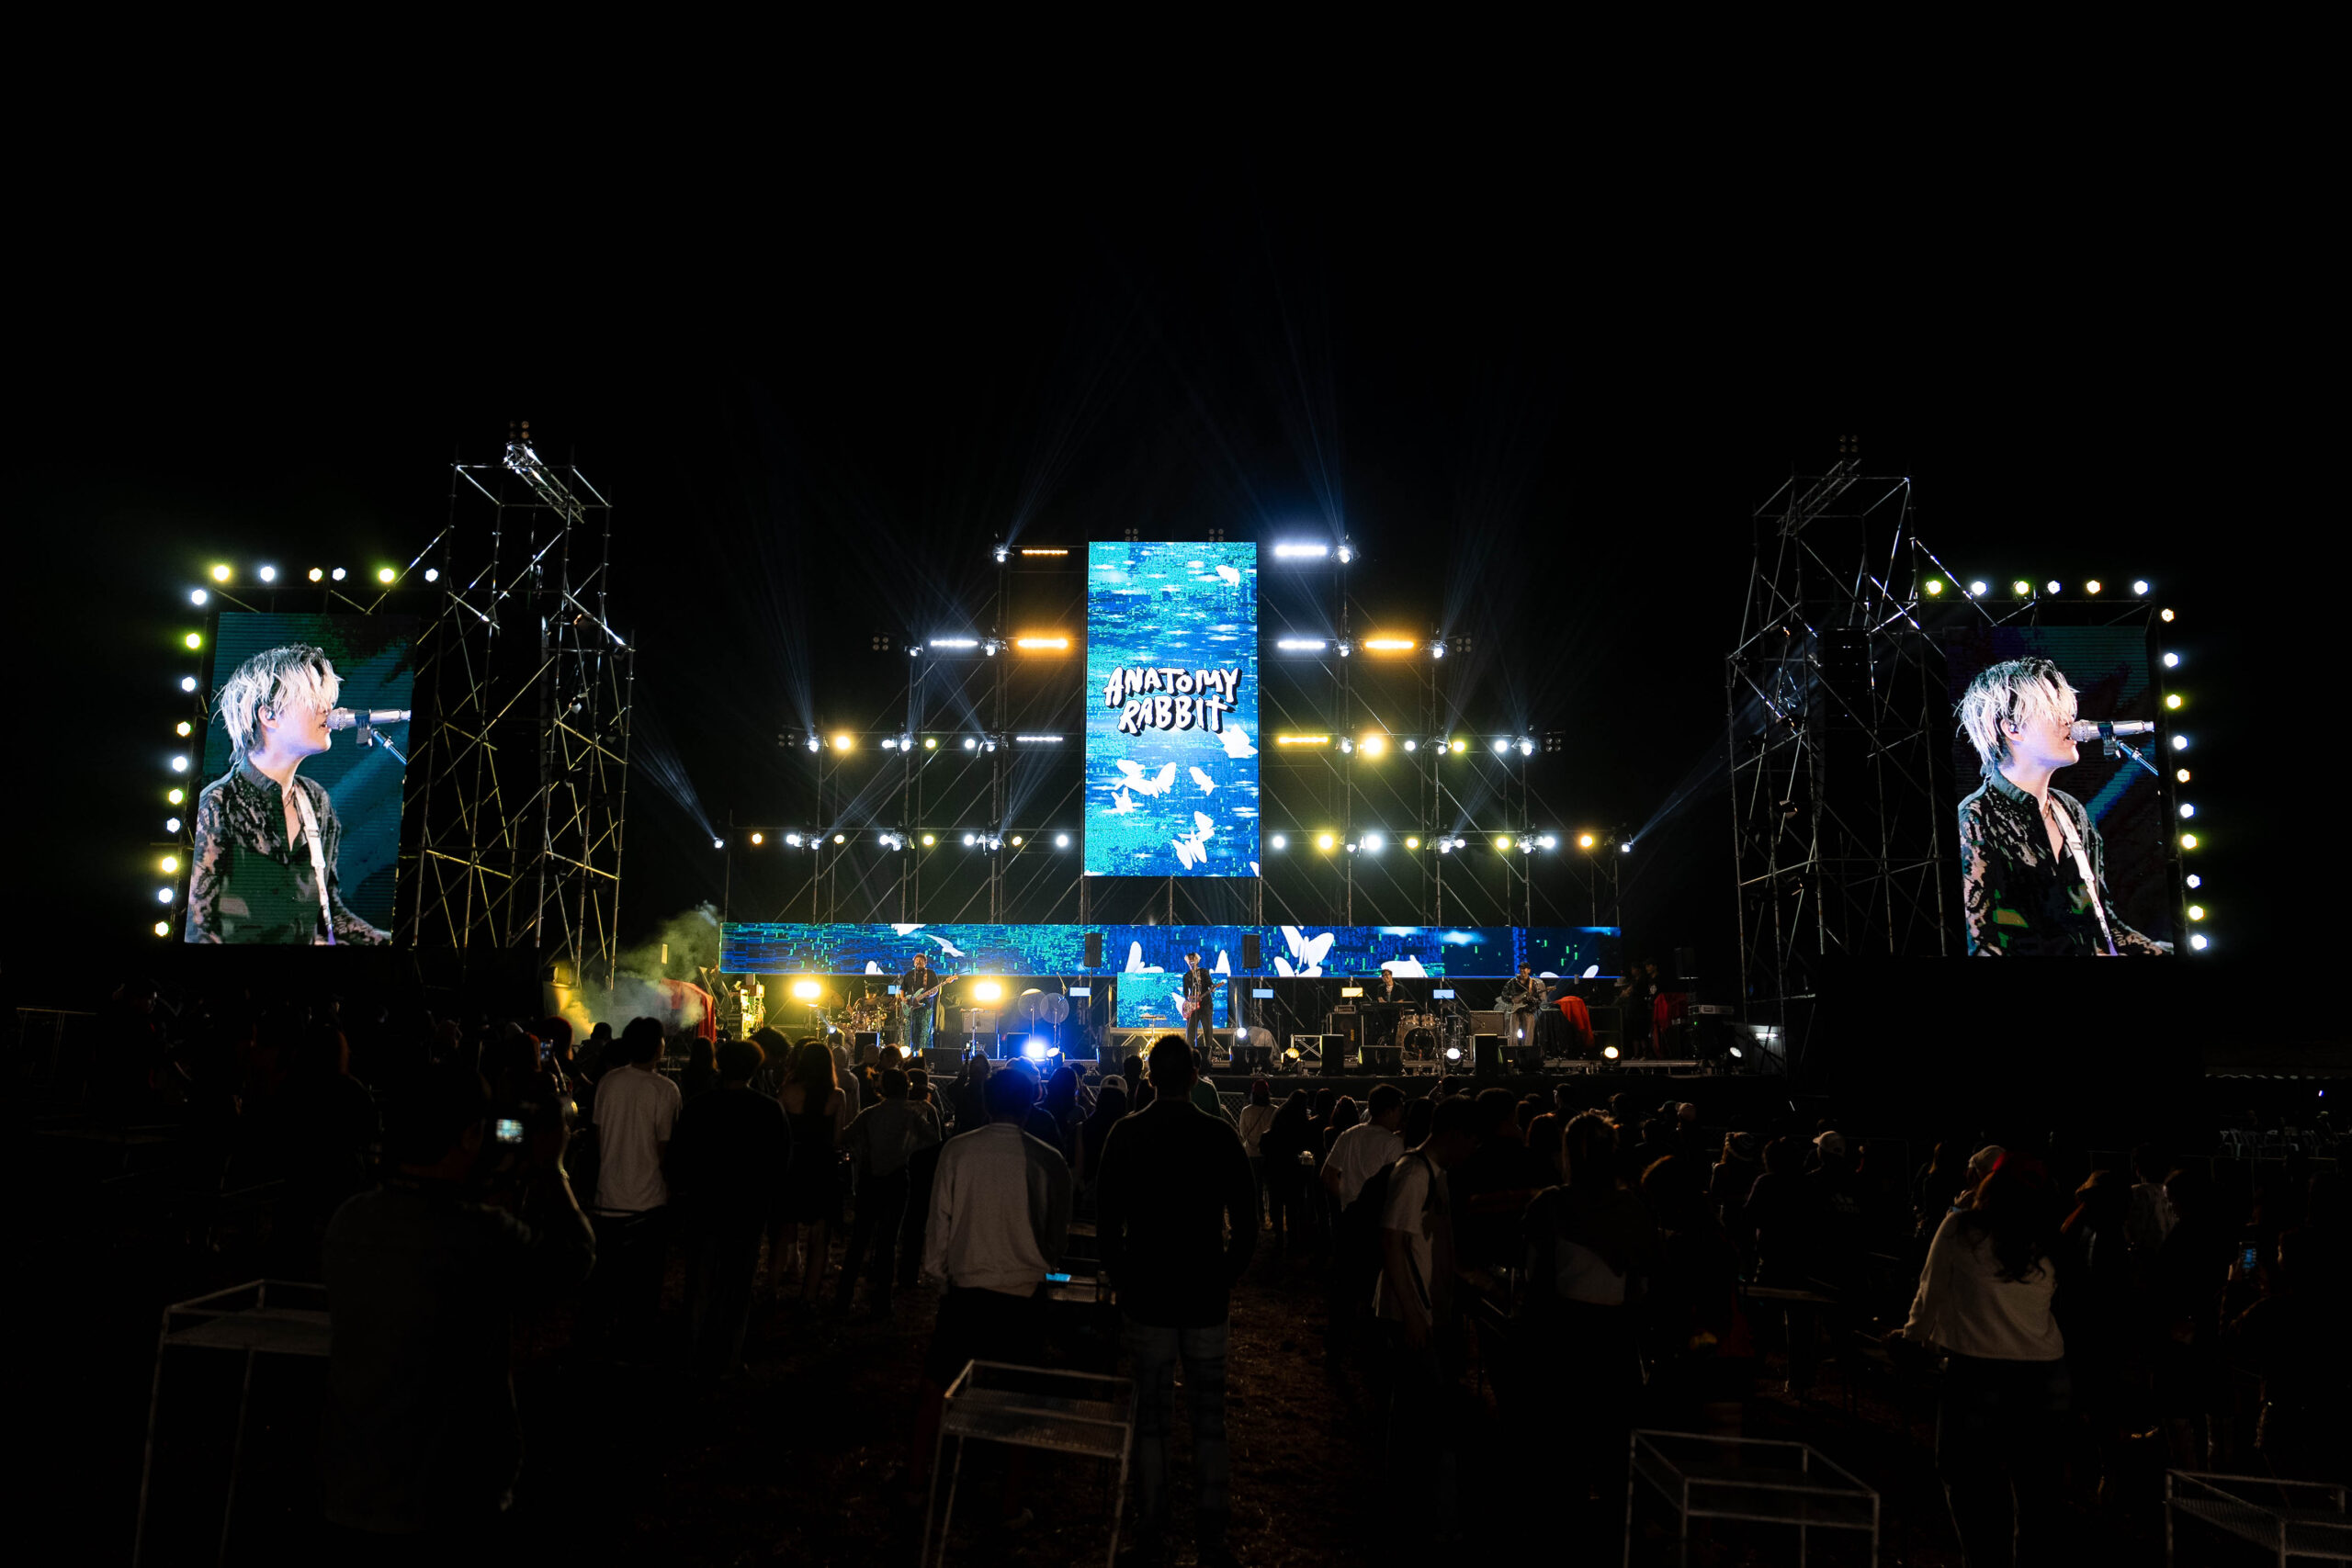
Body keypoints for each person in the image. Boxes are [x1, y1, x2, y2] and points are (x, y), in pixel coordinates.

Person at [321, 1055, 594, 1552]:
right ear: (469, 1136)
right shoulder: (477, 1233)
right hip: (450, 1494)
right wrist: (552, 1169)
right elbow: (573, 1258)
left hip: (354, 1480)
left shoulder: (350, 1219)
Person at [1095, 1036, 1257, 1566]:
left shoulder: (1126, 1134)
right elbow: (1248, 1221)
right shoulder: (1219, 1134)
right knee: (1209, 1418)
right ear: (1193, 1077)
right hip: (1204, 1294)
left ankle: (1152, 1526)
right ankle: (1212, 1534)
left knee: (1151, 1417)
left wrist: (1125, 1278)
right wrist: (1225, 1274)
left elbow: (1106, 1223)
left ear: (1149, 1079)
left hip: (1148, 1294)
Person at [908, 1065, 1073, 1511]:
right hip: (1023, 1292)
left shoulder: (958, 1151)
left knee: (935, 1386)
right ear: (1032, 1102)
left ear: (985, 1102)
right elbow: (1057, 1233)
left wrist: (938, 1272)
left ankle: (917, 1481)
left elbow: (938, 1220)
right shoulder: (1048, 1159)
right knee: (1018, 1393)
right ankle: (1011, 1500)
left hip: (966, 1289)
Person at [1901, 1154, 2071, 1565]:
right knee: (2036, 1488)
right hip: (2043, 1373)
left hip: (1977, 1370)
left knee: (1967, 1479)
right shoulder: (2050, 1240)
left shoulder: (1960, 1230)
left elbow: (1930, 1291)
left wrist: (1913, 1338)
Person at [1955, 656, 2169, 956]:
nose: (2070, 719)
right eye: (2052, 710)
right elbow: (1981, 944)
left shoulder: (2070, 811)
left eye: (2067, 708)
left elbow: (2105, 928)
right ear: (2012, 728)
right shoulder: (1974, 819)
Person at [186, 642, 390, 944]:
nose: (328, 709)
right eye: (313, 699)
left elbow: (330, 914)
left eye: (327, 698)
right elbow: (196, 930)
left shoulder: (316, 801)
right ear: (269, 715)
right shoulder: (216, 806)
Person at [1521, 1112, 1659, 1513]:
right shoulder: (1630, 1208)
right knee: (1612, 1436)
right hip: (1614, 1334)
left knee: (1565, 1438)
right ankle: (1615, 1517)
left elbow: (1533, 1273)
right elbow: (1647, 1274)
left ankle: (1567, 1513)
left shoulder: (1551, 1204)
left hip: (1563, 1332)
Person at [1375, 1093, 1479, 1533]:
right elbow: (1392, 1240)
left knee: (1417, 1412)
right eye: (1470, 1140)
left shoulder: (1433, 1173)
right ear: (1454, 1134)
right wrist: (1414, 1313)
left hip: (1419, 1310)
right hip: (1408, 1313)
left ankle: (1409, 1501)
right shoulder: (1415, 1172)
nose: (1472, 1150)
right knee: (1423, 1412)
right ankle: (1416, 1509)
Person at [667, 1037, 793, 1381]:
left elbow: (679, 1156)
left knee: (699, 1282)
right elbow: (780, 1163)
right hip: (747, 1210)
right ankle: (728, 1357)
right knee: (737, 1286)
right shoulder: (768, 1110)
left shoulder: (699, 1106)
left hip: (705, 1206)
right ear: (755, 1068)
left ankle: (691, 1353)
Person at [587, 1016, 679, 1355]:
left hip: (607, 1197)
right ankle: (633, 1347)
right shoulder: (665, 1090)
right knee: (644, 1285)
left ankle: (595, 1347)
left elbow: (599, 1136)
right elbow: (664, 1148)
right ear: (657, 1048)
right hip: (647, 1202)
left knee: (604, 1281)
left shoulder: (608, 1082)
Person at [835, 1066, 942, 1318]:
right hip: (897, 1178)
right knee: (889, 1239)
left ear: (881, 1088)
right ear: (907, 1088)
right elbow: (933, 1137)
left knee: (860, 1238)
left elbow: (845, 1135)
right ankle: (882, 1301)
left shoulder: (871, 1113)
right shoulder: (911, 1114)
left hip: (870, 1179)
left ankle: (843, 1296)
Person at [778, 1040, 845, 1310]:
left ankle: (773, 1285)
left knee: (785, 1226)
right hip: (822, 1164)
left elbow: (780, 1131)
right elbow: (838, 1138)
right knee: (819, 1236)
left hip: (794, 1162)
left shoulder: (787, 1091)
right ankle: (809, 1295)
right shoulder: (837, 1096)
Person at [1236, 1079, 1276, 1228]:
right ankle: (1274, 1216)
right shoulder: (1274, 1111)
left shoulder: (1246, 1111)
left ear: (1253, 1094)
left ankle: (1260, 1217)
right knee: (1271, 1187)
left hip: (1252, 1154)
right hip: (1269, 1154)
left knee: (1256, 1188)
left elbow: (1242, 1132)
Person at [899, 953, 944, 1056]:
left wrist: (930, 994)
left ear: (925, 962)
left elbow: (935, 989)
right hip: (911, 1008)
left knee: (924, 1032)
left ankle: (924, 1055)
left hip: (926, 1007)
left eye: (921, 961)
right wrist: (903, 998)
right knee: (910, 1032)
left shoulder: (931, 974)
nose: (918, 962)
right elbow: (903, 988)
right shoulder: (909, 974)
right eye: (916, 961)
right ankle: (908, 1054)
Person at [1498, 962, 1547, 1054]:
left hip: (1528, 1011)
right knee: (1513, 1034)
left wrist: (1533, 1000)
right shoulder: (1512, 982)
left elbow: (1540, 999)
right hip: (1515, 1011)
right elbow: (1503, 995)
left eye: (1524, 968)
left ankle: (1527, 1055)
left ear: (1529, 970)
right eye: (1520, 968)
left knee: (1528, 1035)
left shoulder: (1534, 983)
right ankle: (1512, 1054)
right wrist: (1512, 999)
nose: (1522, 970)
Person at [1179, 951, 1217, 1055]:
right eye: (1190, 960)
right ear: (1187, 962)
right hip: (1193, 1006)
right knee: (1190, 1031)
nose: (1192, 962)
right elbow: (1185, 992)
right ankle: (1189, 1054)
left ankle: (1208, 1054)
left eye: (1193, 959)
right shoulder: (1186, 976)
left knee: (1207, 1030)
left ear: (1197, 960)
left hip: (1205, 1005)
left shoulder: (1203, 972)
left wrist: (1212, 987)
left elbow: (1210, 983)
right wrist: (1189, 998)